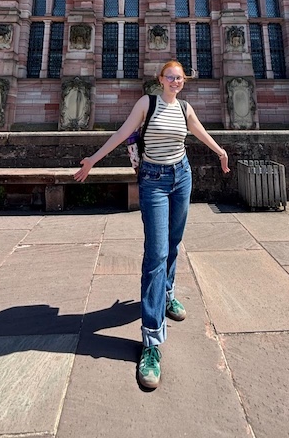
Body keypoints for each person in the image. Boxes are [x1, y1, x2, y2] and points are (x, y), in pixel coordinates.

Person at [75, 60, 230, 389]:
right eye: (170, 77)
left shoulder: (185, 108)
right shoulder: (147, 103)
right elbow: (121, 133)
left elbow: (198, 131)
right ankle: (151, 342)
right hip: (153, 182)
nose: (175, 82)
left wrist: (219, 152)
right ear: (160, 79)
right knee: (156, 254)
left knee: (174, 244)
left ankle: (168, 293)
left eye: (180, 78)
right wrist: (92, 159)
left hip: (182, 177)